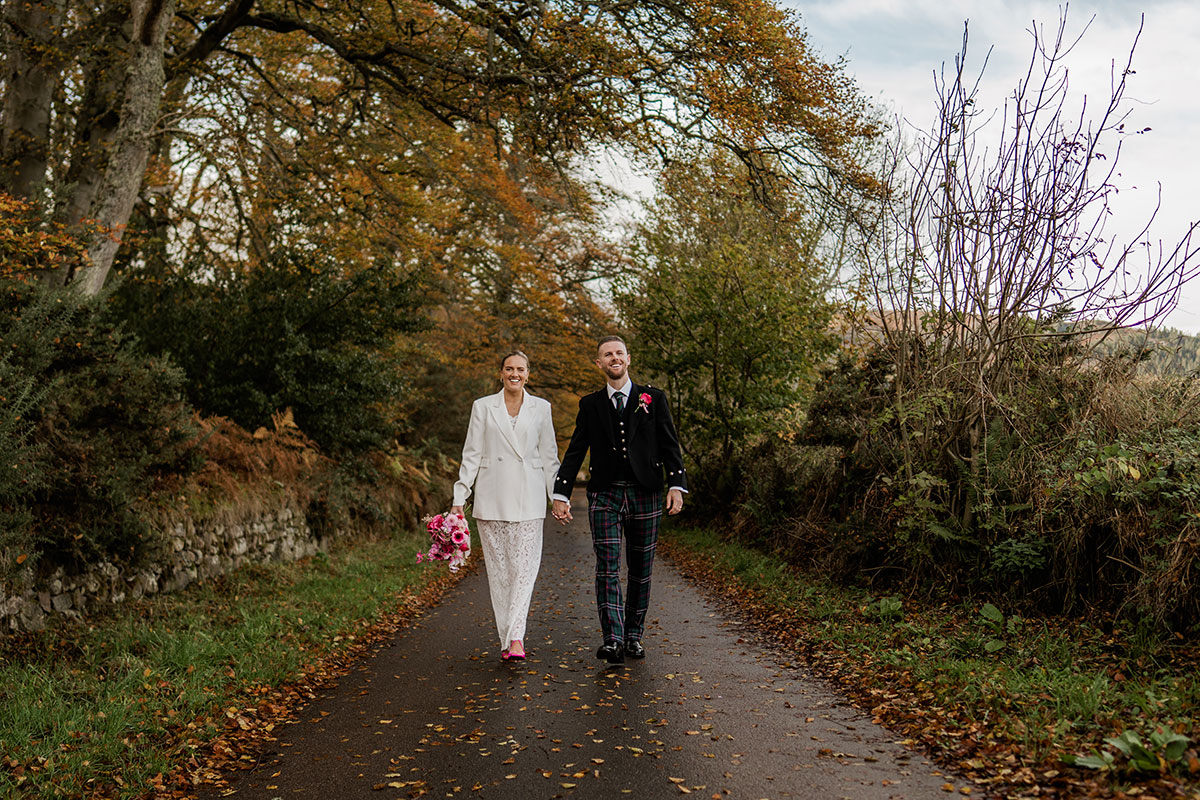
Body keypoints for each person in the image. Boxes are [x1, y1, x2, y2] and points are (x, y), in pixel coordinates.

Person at [551, 336, 687, 665]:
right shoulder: (590, 404)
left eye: (619, 353)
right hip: (605, 493)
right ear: (599, 363)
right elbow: (576, 450)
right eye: (607, 354)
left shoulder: (653, 398)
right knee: (607, 569)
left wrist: (676, 485)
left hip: (646, 492)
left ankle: (633, 637)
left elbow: (670, 443)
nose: (614, 358)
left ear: (628, 358)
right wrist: (561, 493)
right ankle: (612, 639)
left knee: (640, 570)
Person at [452, 351, 560, 661]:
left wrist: (558, 497)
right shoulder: (483, 407)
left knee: (523, 572)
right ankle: (507, 637)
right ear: (501, 373)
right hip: (491, 498)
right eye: (509, 368)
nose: (515, 373)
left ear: (528, 374)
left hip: (529, 500)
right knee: (500, 574)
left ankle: (516, 639)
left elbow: (549, 457)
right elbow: (471, 455)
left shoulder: (541, 408)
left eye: (520, 369)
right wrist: (460, 498)